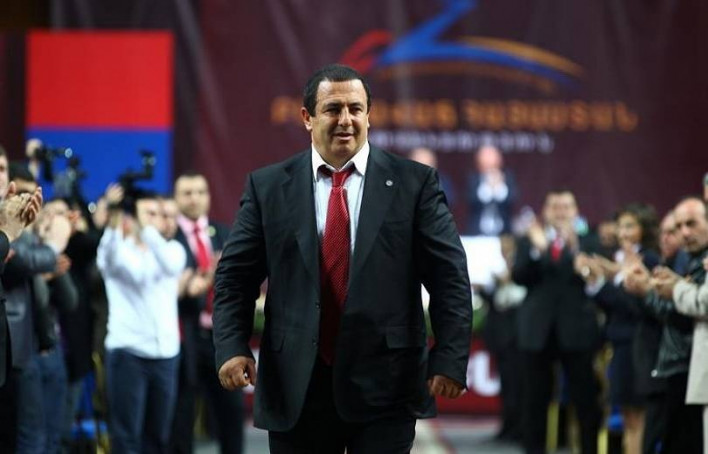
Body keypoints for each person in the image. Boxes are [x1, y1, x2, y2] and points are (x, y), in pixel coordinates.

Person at [213, 64, 473, 453]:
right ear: (308, 117)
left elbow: (449, 278)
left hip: (388, 386)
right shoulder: (268, 187)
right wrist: (232, 346)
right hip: (296, 388)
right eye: (333, 109)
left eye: (356, 109)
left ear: (370, 115)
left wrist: (450, 357)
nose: (346, 120)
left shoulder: (415, 184)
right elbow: (235, 278)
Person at [96, 185, 186, 453]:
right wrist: (114, 221)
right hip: (128, 354)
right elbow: (107, 259)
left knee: (158, 437)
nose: (155, 220)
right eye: (148, 213)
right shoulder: (119, 250)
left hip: (166, 355)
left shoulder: (173, 249)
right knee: (126, 437)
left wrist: (147, 231)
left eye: (158, 214)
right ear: (132, 217)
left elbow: (171, 265)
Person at [512, 189, 602, 454]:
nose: (561, 212)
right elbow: (519, 276)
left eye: (566, 206)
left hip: (577, 330)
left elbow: (593, 278)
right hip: (537, 331)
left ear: (576, 211)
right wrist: (538, 250)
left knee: (585, 399)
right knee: (534, 399)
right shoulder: (530, 240)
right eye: (555, 206)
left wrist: (574, 248)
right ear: (545, 211)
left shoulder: (590, 239)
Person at [575, 203, 661, 454]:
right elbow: (613, 306)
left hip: (639, 345)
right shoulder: (619, 258)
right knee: (627, 417)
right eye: (621, 226)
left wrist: (603, 283)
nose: (623, 233)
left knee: (637, 417)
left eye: (630, 226)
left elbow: (636, 306)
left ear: (644, 229)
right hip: (621, 344)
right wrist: (596, 281)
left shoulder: (649, 259)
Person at [624, 197, 707, 453]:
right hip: (680, 368)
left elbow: (691, 309)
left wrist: (651, 290)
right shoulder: (692, 261)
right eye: (677, 227)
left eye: (691, 224)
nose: (684, 233)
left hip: (686, 367)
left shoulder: (692, 262)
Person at [170, 172, 243, 454]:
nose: (194, 199)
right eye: (187, 193)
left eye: (200, 192)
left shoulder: (224, 233)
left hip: (222, 338)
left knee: (231, 414)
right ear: (176, 198)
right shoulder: (168, 237)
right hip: (185, 336)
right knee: (182, 415)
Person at [466, 144, 517, 236]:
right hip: (477, 233)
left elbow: (513, 199)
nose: (489, 163)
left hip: (504, 233)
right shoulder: (473, 179)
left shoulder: (508, 177)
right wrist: (487, 187)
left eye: (491, 158)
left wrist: (499, 188)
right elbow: (471, 200)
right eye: (485, 158)